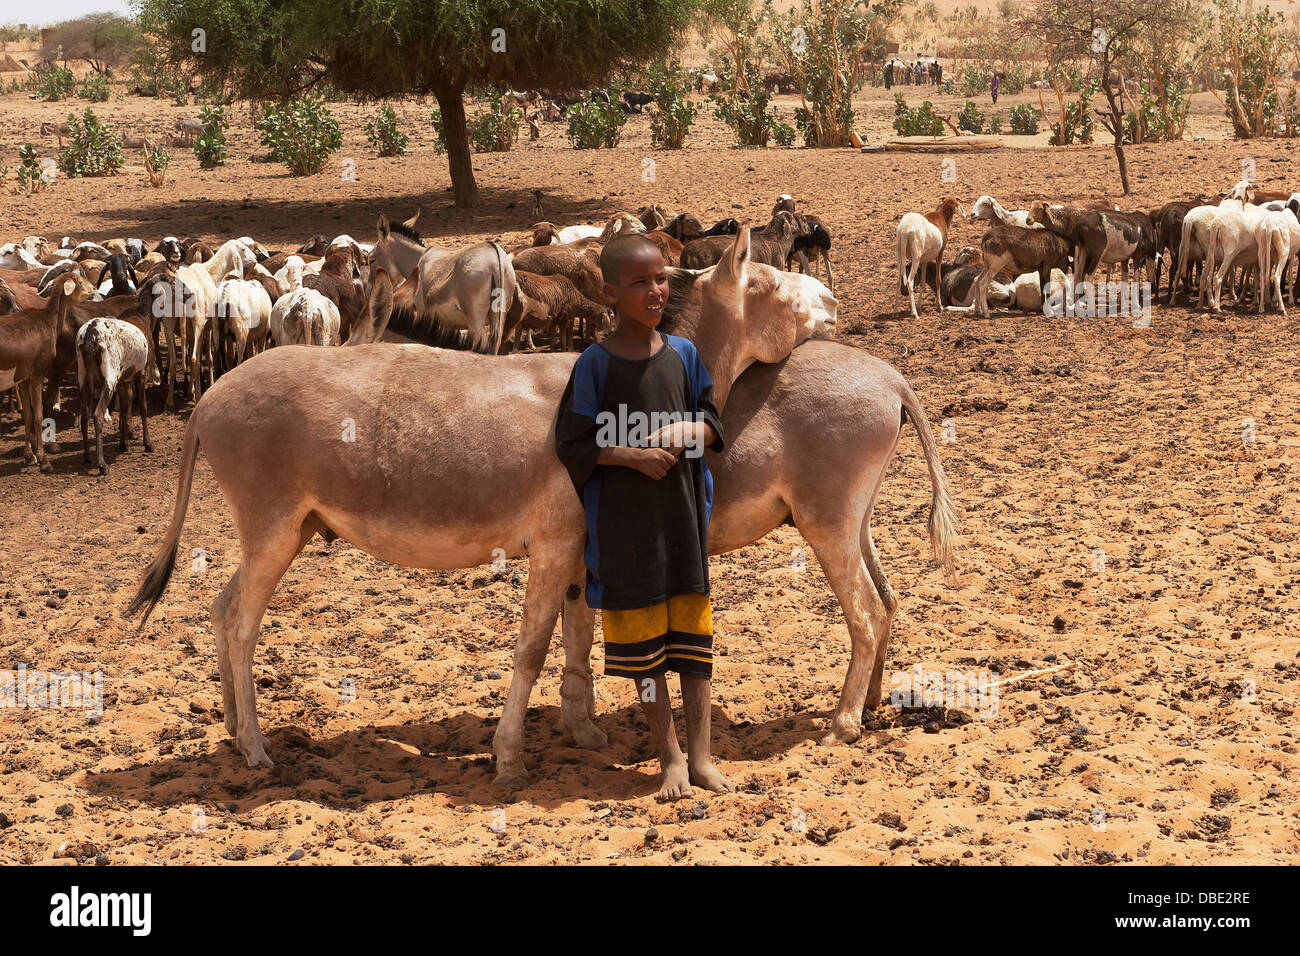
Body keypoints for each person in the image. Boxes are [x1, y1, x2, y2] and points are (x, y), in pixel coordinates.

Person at [554, 234, 733, 802]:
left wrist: (693, 431)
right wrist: (629, 454)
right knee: (647, 658)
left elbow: (710, 415)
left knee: (693, 645)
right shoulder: (595, 365)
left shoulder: (683, 356)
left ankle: (703, 755)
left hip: (683, 523)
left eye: (661, 279)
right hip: (625, 533)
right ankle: (671, 756)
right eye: (639, 283)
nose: (655, 291)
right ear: (610, 293)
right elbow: (574, 441)